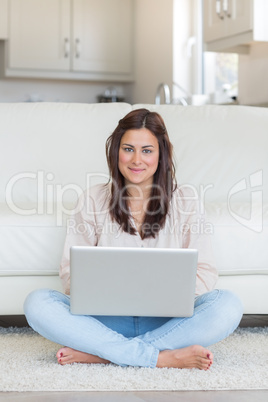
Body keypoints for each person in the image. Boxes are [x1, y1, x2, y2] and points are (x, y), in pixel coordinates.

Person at [24, 108, 243, 370]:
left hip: (167, 320)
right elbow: (71, 273)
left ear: (161, 155)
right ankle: (160, 356)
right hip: (105, 319)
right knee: (37, 303)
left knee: (228, 306)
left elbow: (205, 272)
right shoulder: (93, 198)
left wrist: (167, 297)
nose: (136, 160)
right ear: (116, 151)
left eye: (147, 150)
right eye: (128, 149)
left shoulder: (186, 199)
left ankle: (105, 353)